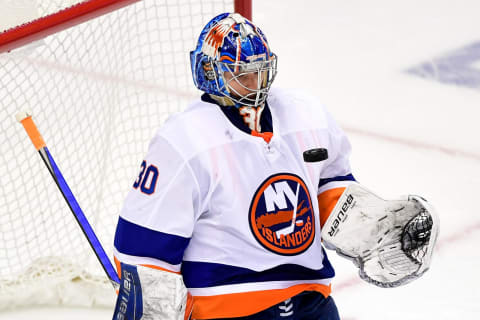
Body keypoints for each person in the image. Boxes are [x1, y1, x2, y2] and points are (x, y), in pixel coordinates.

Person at [112, 12, 438, 320]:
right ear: (209, 73)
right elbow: (142, 250)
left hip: (311, 298)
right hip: (227, 305)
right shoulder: (183, 141)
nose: (254, 82)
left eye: (259, 70)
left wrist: (374, 227)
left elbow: (328, 189)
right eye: (240, 74)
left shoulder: (305, 113)